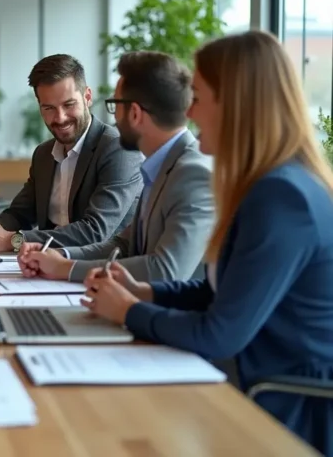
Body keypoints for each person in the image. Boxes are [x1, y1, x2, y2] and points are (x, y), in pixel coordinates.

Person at [81, 31, 333, 455]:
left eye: (198, 97)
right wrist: (146, 292)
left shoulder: (282, 198)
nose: (189, 110)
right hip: (248, 381)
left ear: (235, 105)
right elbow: (219, 293)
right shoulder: (271, 184)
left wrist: (128, 311)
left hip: (283, 405)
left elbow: (220, 334)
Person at [17, 51, 213, 283]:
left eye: (114, 105)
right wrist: (58, 256)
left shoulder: (194, 172)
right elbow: (124, 244)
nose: (114, 119)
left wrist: (66, 268)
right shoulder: (163, 165)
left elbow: (165, 270)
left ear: (135, 113)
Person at [0, 54, 142, 253]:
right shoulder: (43, 154)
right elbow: (20, 213)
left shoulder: (118, 149)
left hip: (99, 270)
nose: (60, 118)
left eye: (69, 105)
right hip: (45, 267)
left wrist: (14, 240)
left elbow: (95, 231)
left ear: (87, 97)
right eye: (49, 108)